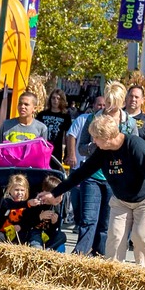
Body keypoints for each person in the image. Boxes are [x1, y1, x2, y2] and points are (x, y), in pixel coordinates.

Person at [37, 114, 145, 264]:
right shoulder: (103, 152)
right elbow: (81, 174)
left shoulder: (135, 145)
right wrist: (55, 192)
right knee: (115, 237)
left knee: (140, 236)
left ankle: (141, 273)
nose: (93, 141)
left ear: (107, 137)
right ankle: (114, 273)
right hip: (121, 200)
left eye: (95, 138)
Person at [64, 92, 107, 255]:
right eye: (100, 104)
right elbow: (76, 141)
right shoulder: (86, 119)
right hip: (89, 173)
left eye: (105, 104)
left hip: (111, 177)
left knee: (104, 221)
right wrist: (91, 147)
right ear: (94, 106)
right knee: (88, 217)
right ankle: (81, 252)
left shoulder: (124, 122)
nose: (102, 107)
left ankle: (100, 253)